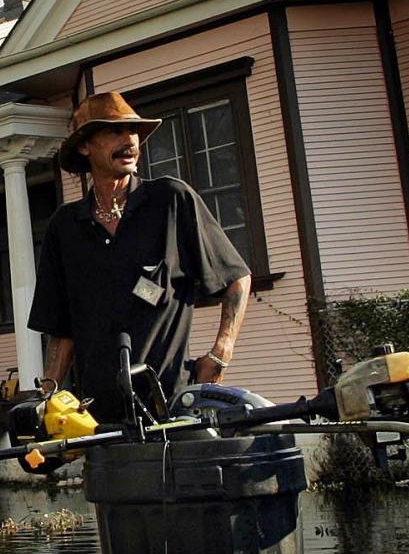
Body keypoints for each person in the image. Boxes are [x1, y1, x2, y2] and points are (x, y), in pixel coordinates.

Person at [27, 91, 252, 420]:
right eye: (113, 131)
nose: (129, 140)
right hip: (97, 418)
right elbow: (62, 330)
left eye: (133, 132)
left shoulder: (171, 201)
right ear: (84, 146)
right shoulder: (65, 227)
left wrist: (221, 352)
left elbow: (236, 278)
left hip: (173, 409)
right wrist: (47, 398)